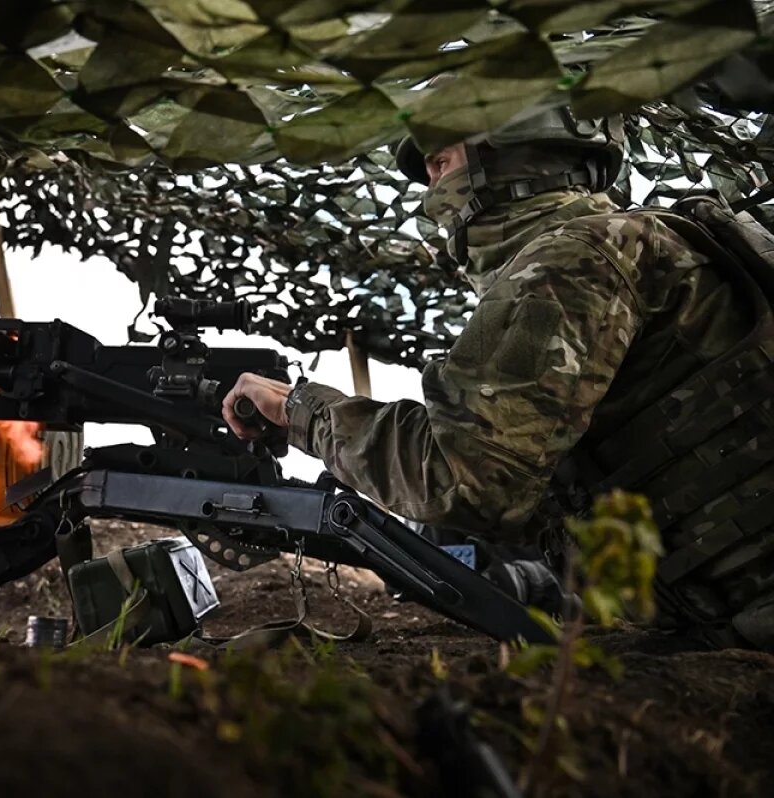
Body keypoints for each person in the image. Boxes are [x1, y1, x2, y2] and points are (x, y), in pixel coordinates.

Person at [221, 107, 774, 650]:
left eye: (441, 160)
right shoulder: (625, 242)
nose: (431, 187)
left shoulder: (571, 261)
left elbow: (461, 480)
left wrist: (302, 411)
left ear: (509, 143)